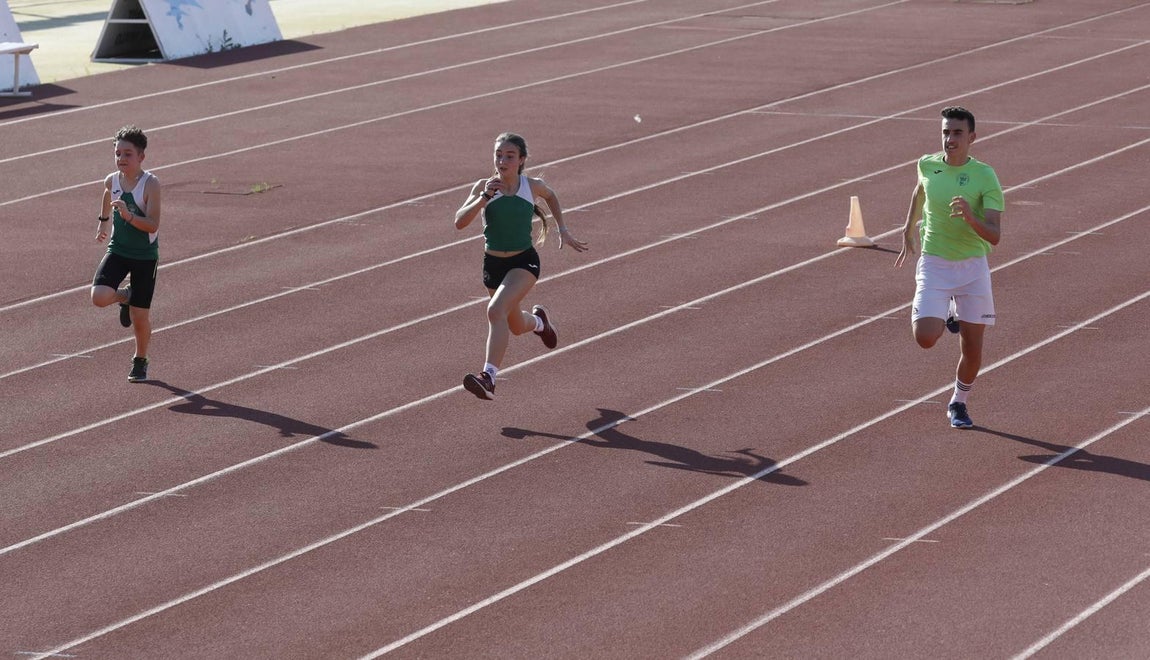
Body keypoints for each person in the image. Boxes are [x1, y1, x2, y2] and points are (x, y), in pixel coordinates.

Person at [455, 132, 588, 400]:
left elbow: (551, 196)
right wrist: (483, 198)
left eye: (509, 156)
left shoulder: (531, 186)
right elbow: (459, 222)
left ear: (521, 160)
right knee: (515, 325)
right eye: (498, 155)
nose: (502, 161)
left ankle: (488, 377)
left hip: (523, 262)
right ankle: (540, 322)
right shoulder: (483, 186)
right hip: (493, 265)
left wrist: (562, 229)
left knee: (495, 311)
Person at [894, 106, 1004, 429]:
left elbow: (995, 235)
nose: (949, 139)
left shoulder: (985, 176)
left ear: (972, 137)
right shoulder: (927, 165)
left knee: (972, 349)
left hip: (972, 268)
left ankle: (958, 402)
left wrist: (971, 218)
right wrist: (908, 228)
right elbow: (920, 191)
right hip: (935, 262)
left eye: (957, 133)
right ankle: (949, 311)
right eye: (945, 132)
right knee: (926, 337)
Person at [90, 125, 163, 383]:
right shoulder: (112, 180)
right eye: (118, 153)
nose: (121, 158)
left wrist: (128, 216)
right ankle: (125, 296)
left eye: (128, 154)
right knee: (99, 297)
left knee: (139, 317)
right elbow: (107, 193)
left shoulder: (150, 184)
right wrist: (103, 221)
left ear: (141, 156)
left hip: (144, 256)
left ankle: (140, 359)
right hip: (119, 250)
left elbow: (152, 225)